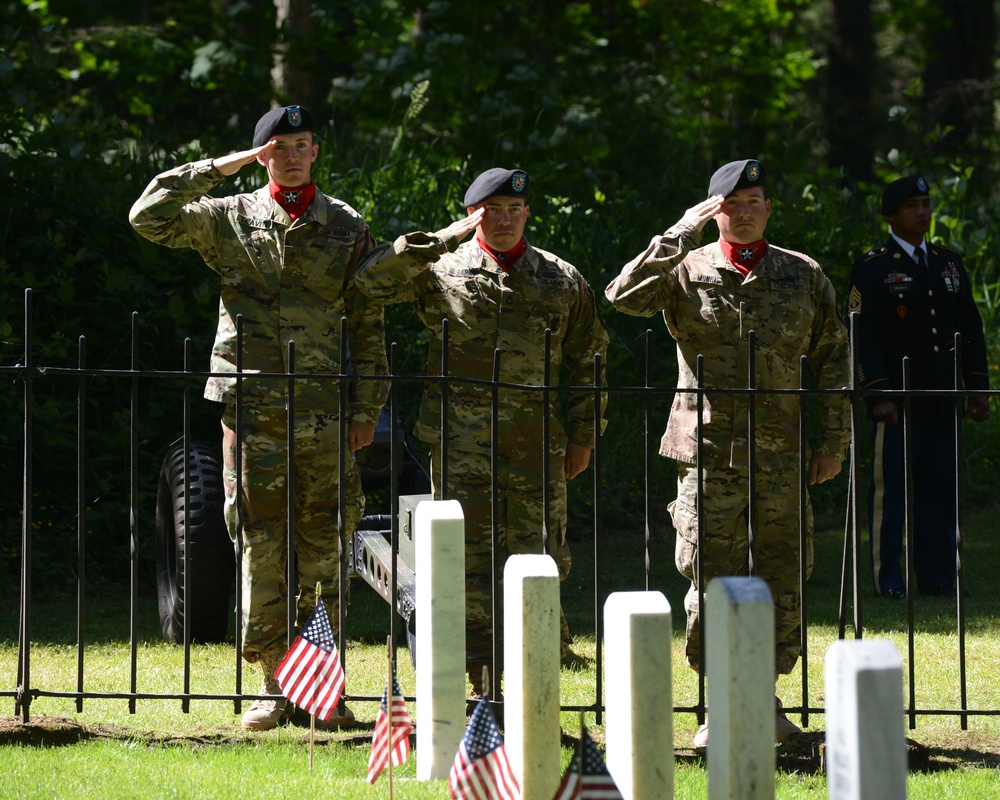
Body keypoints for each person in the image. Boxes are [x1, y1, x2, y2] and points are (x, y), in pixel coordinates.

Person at [129, 105, 388, 731]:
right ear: (262, 155)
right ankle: (276, 686)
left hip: (325, 409)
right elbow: (148, 215)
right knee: (259, 541)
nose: (292, 155)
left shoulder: (346, 225)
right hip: (253, 408)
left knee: (325, 544)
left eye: (302, 145)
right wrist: (225, 166)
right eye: (278, 147)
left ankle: (324, 690)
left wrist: (366, 407)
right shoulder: (230, 217)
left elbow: (371, 319)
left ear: (316, 152)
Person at [605, 159, 851, 746]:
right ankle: (720, 705)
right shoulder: (686, 270)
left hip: (783, 457)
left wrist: (833, 442)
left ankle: (764, 704)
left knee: (780, 578)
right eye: (730, 205)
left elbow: (834, 361)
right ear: (714, 212)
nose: (743, 213)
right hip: (709, 456)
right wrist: (681, 231)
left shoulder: (802, 275)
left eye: (754, 202)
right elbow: (623, 295)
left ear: (768, 207)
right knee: (714, 578)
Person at [355, 167, 608, 696]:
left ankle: (530, 676)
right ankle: (478, 679)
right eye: (494, 210)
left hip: (537, 447)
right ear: (474, 215)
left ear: (528, 214)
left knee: (539, 555)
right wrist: (444, 238)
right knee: (463, 558)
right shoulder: (439, 270)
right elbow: (368, 284)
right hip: (461, 444)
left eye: (516, 210)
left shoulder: (560, 279)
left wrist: (584, 433)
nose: (507, 220)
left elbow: (590, 355)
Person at [847, 175, 989, 600]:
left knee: (940, 489)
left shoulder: (947, 261)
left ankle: (938, 576)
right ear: (891, 215)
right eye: (912, 206)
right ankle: (888, 578)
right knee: (891, 494)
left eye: (925, 204)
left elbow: (971, 328)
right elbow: (861, 337)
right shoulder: (874, 266)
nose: (922, 212)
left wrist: (977, 387)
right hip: (898, 402)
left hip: (943, 398)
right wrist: (878, 394)